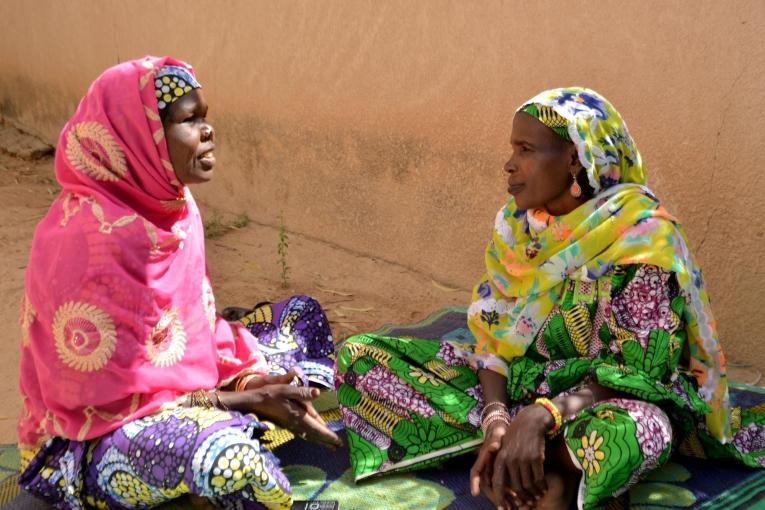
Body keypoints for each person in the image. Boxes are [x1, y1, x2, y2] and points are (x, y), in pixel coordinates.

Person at [335, 87, 764, 509]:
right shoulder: (518, 228)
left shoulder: (641, 238)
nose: (509, 164)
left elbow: (644, 374)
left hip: (599, 403)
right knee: (359, 357)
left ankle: (547, 468)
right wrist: (499, 419)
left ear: (576, 158)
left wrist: (544, 417)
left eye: (525, 150)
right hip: (523, 386)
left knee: (641, 432)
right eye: (512, 150)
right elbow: (493, 336)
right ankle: (522, 459)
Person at [17, 56, 341, 510]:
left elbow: (195, 326)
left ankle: (209, 469)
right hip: (96, 438)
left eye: (205, 117)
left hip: (188, 389)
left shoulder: (176, 209)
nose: (208, 132)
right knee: (227, 457)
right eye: (190, 120)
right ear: (137, 137)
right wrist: (245, 399)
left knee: (301, 316)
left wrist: (250, 379)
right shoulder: (85, 239)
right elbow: (103, 402)